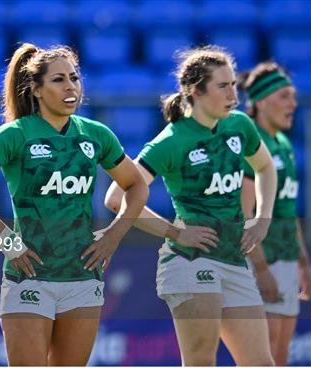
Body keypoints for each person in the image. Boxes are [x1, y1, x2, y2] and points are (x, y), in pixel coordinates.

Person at [0, 43, 148, 365]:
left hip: (83, 276)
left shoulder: (96, 135)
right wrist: (6, 240)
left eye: (75, 78)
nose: (71, 86)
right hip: (29, 276)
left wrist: (115, 234)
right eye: (58, 80)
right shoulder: (15, 135)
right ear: (36, 89)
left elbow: (136, 184)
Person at [104, 46, 277, 366]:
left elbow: (265, 167)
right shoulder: (172, 140)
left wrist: (262, 219)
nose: (233, 95)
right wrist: (174, 231)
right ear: (195, 91)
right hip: (191, 262)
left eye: (233, 85)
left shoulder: (239, 125)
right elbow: (116, 197)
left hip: (233, 260)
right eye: (222, 86)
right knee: (201, 362)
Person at [239, 62, 311, 365]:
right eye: (284, 96)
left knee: (279, 355)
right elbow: (243, 213)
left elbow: (287, 208)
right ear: (262, 102)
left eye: (293, 96)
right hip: (261, 258)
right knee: (262, 355)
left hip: (285, 256)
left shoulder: (283, 143)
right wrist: (261, 268)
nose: (293, 103)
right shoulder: (252, 144)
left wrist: (302, 260)